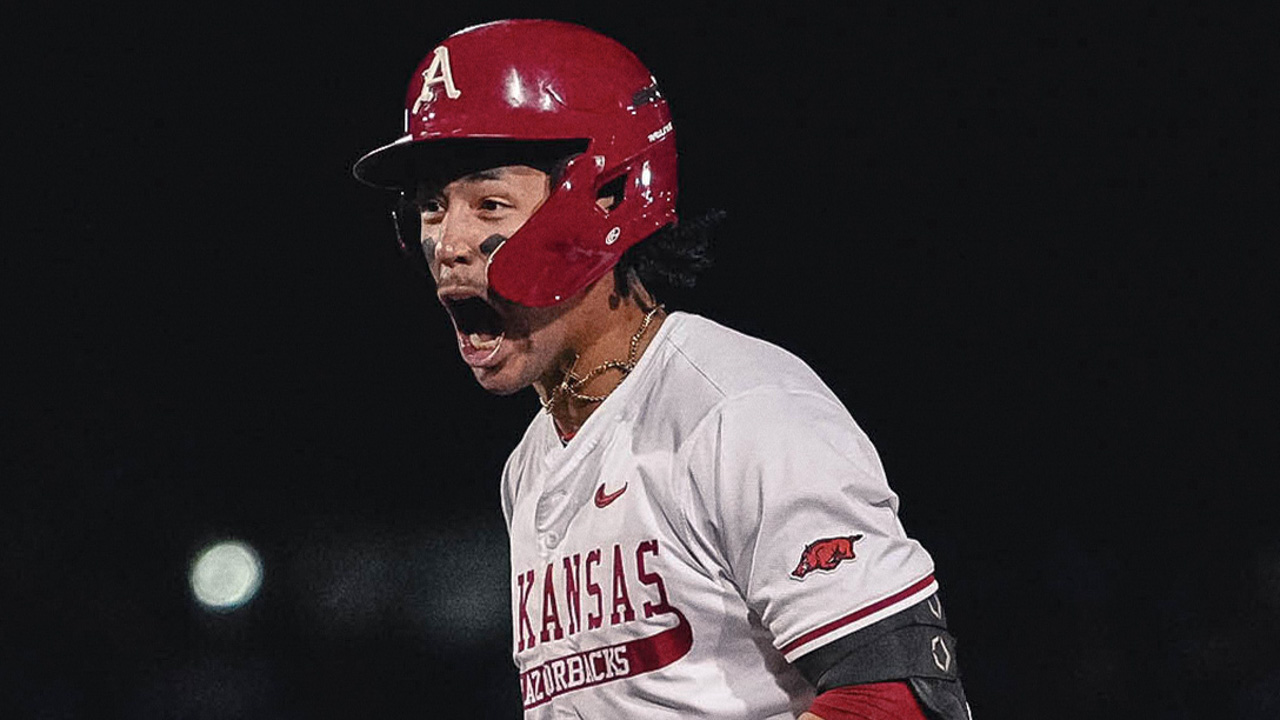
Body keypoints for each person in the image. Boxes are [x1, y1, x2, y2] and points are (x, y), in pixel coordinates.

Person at [353, 19, 971, 720]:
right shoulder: (529, 465)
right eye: (432, 207)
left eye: (489, 203)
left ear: (607, 196)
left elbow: (897, 699)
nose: (447, 242)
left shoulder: (741, 409)